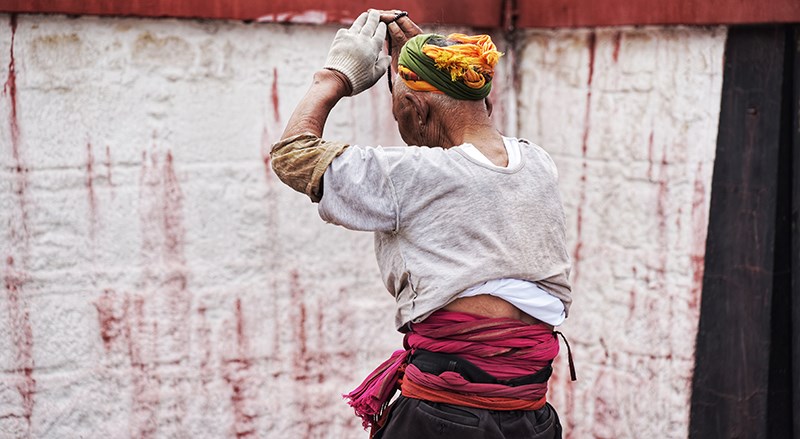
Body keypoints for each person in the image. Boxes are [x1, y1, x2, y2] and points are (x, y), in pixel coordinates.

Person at [271, 9, 574, 439]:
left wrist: (334, 76)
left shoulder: (415, 175)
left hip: (443, 419)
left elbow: (293, 155)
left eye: (399, 107)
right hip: (532, 417)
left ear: (413, 106)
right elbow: (474, 135)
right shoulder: (538, 164)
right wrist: (439, 60)